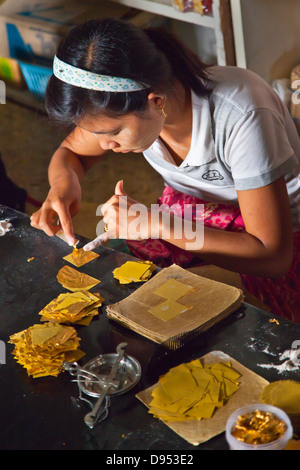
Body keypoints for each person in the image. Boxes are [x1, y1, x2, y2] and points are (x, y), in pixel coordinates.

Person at [30, 18, 300, 322]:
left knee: (181, 315)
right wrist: (63, 187)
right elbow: (70, 153)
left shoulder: (242, 113)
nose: (104, 145)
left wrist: (158, 226)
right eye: (94, 133)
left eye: (113, 132)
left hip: (272, 234)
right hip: (192, 216)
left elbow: (272, 256)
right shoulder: (131, 106)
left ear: (156, 101)